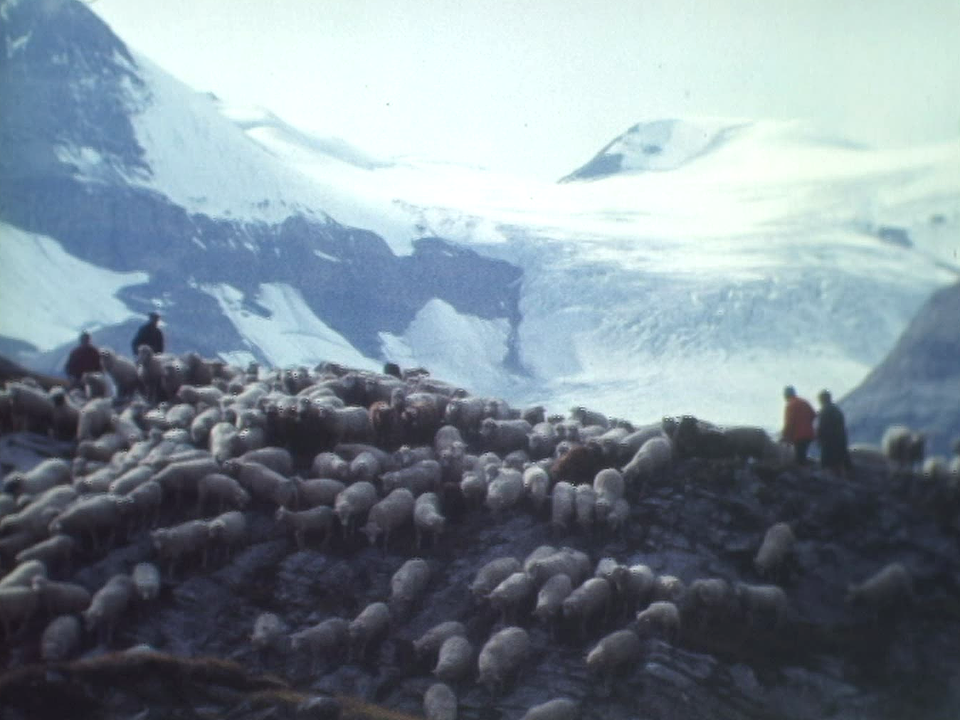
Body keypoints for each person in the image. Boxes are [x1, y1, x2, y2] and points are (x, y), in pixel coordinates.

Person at [816, 390, 852, 476]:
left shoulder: (824, 411)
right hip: (840, 440)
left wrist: (819, 439)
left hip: (829, 442)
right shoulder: (836, 410)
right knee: (841, 461)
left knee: (827, 464)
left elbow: (822, 427)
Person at [780, 385, 816, 465]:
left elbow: (789, 423)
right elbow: (813, 415)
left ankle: (804, 474)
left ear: (787, 395)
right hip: (809, 434)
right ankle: (807, 470)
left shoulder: (790, 405)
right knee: (802, 454)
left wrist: (784, 436)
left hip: (799, 436)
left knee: (799, 458)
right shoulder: (804, 402)